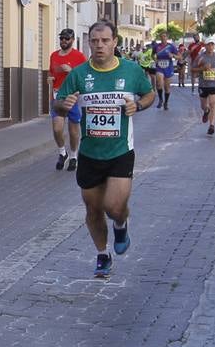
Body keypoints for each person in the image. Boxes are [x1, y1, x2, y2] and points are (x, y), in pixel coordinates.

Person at [55, 20, 155, 279]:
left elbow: (149, 94)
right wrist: (63, 106)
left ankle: (121, 224)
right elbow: (57, 104)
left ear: (115, 42)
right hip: (90, 154)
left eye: (105, 41)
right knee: (93, 209)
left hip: (121, 150)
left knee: (114, 207)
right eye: (95, 41)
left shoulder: (131, 71)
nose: (99, 46)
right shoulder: (78, 74)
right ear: (89, 43)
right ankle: (102, 254)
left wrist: (139, 106)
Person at [48, 28, 86, 171]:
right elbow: (51, 72)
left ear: (72, 40)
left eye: (67, 39)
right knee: (57, 129)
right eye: (62, 38)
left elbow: (83, 78)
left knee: (73, 130)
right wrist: (50, 78)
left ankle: (74, 156)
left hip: (73, 97)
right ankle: (62, 152)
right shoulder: (53, 56)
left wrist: (71, 71)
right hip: (57, 97)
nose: (64, 41)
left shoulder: (79, 57)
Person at [195, 40, 215, 135]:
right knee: (204, 106)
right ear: (205, 46)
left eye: (212, 44)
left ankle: (212, 125)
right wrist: (202, 69)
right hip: (203, 85)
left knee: (213, 103)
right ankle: (206, 111)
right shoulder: (200, 57)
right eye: (209, 44)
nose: (211, 46)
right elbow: (192, 69)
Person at [151, 30, 178, 109]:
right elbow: (152, 55)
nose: (163, 38)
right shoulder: (156, 46)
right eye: (162, 36)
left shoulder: (171, 46)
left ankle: (166, 102)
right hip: (159, 67)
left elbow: (179, 56)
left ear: (167, 37)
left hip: (168, 67)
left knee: (167, 87)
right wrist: (155, 59)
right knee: (159, 83)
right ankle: (160, 100)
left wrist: (172, 55)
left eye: (165, 36)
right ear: (160, 37)